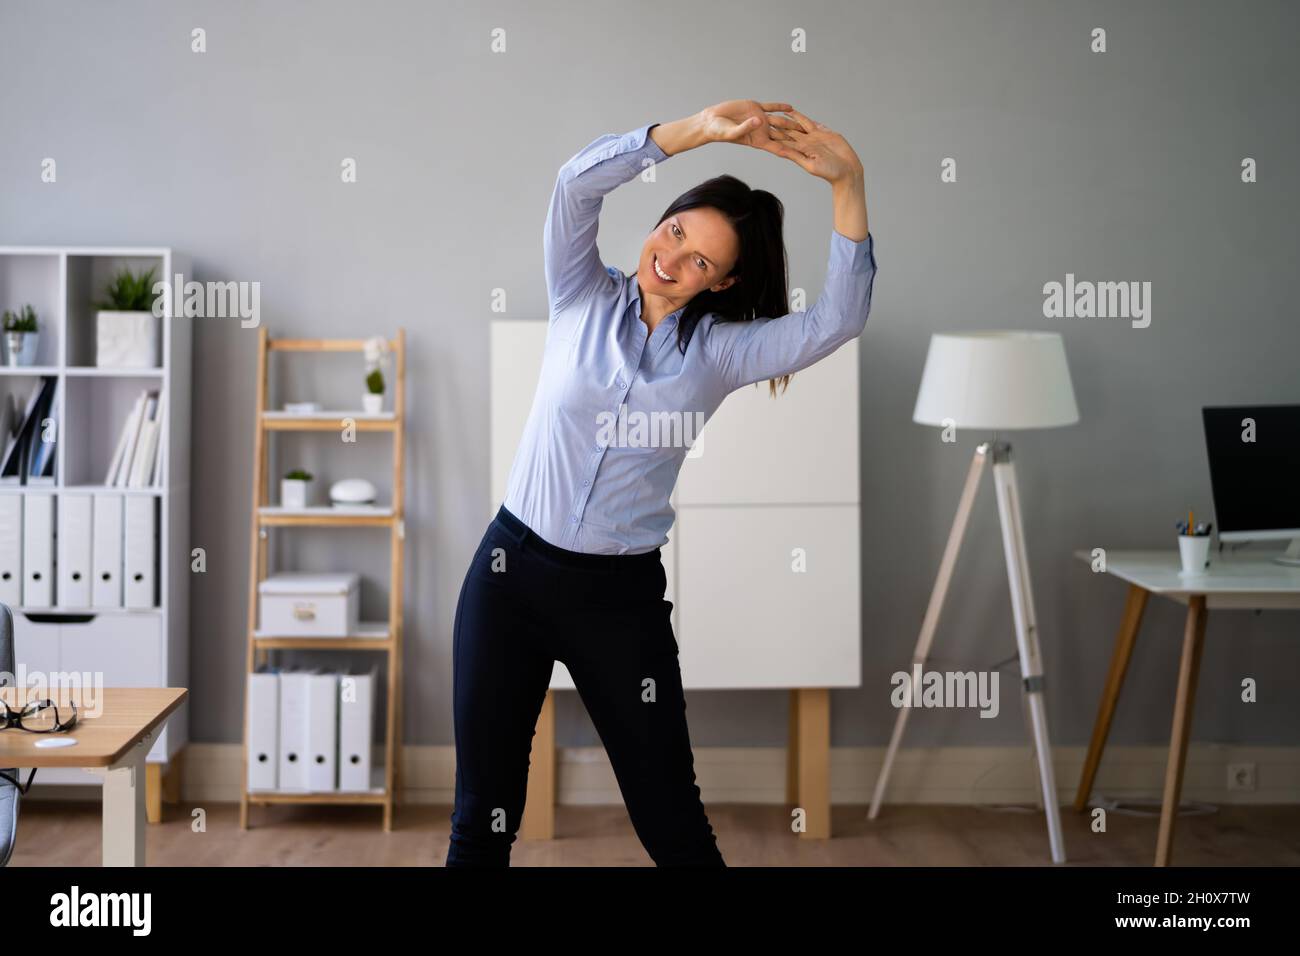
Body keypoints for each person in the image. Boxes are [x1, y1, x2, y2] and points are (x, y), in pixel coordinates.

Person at [446, 100, 877, 866]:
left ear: (725, 281)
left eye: (701, 261)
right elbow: (576, 185)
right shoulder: (580, 292)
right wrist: (697, 131)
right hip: (507, 575)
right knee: (485, 810)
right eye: (674, 232)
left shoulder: (720, 354)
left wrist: (848, 184)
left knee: (671, 817)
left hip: (617, 601)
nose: (671, 261)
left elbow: (835, 321)